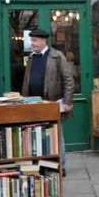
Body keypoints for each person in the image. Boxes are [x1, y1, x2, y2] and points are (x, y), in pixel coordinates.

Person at [21, 29, 74, 176]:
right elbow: (27, 80)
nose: (32, 44)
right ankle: (43, 164)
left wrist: (68, 101)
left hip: (53, 103)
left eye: (35, 41)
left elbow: (68, 80)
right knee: (37, 135)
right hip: (34, 103)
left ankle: (60, 166)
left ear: (44, 41)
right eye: (31, 41)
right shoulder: (31, 58)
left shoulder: (57, 56)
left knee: (57, 135)